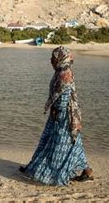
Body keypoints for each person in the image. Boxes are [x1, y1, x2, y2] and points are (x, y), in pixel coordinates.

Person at [19, 46, 93, 186]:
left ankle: (49, 172)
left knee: (63, 143)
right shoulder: (60, 71)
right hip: (60, 114)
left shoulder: (64, 73)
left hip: (65, 115)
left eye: (53, 57)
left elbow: (64, 95)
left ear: (60, 58)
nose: (51, 60)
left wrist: (58, 111)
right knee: (68, 142)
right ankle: (86, 171)